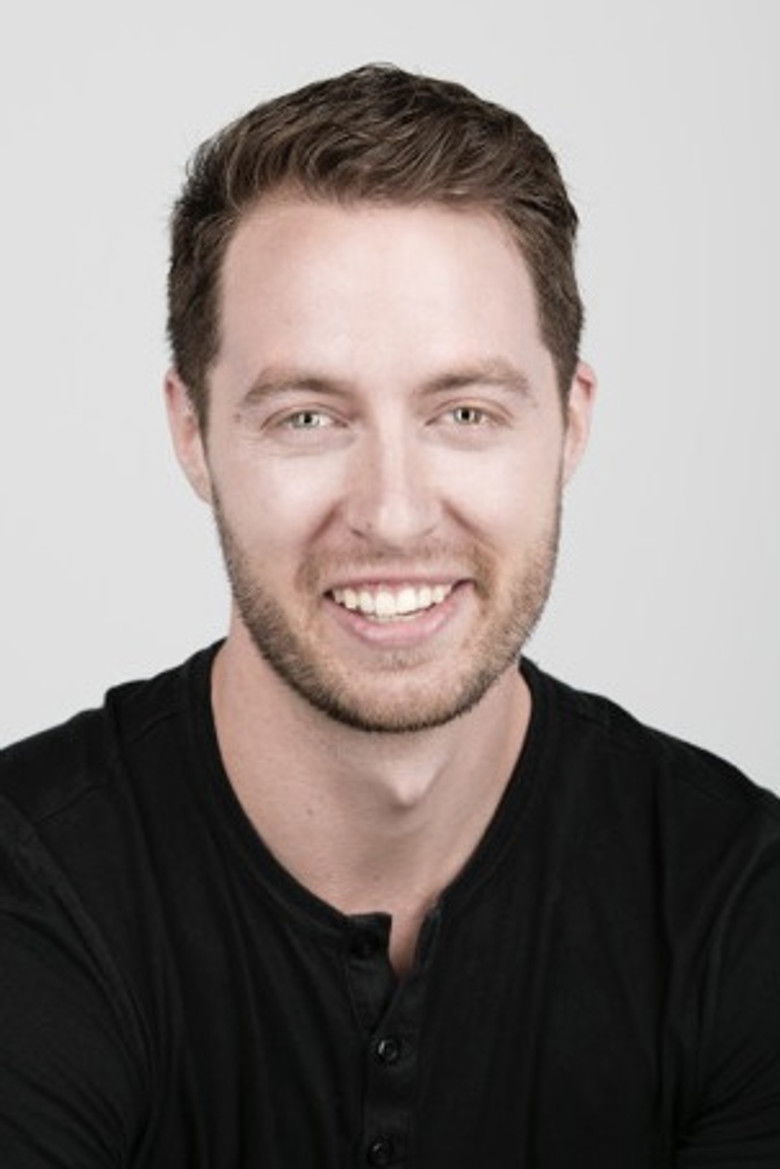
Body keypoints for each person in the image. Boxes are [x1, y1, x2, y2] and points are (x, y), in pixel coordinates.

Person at [1, 63, 778, 1169]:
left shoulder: (735, 902)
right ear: (192, 432)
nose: (394, 511)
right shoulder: (32, 885)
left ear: (569, 424)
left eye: (465, 412)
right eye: (308, 416)